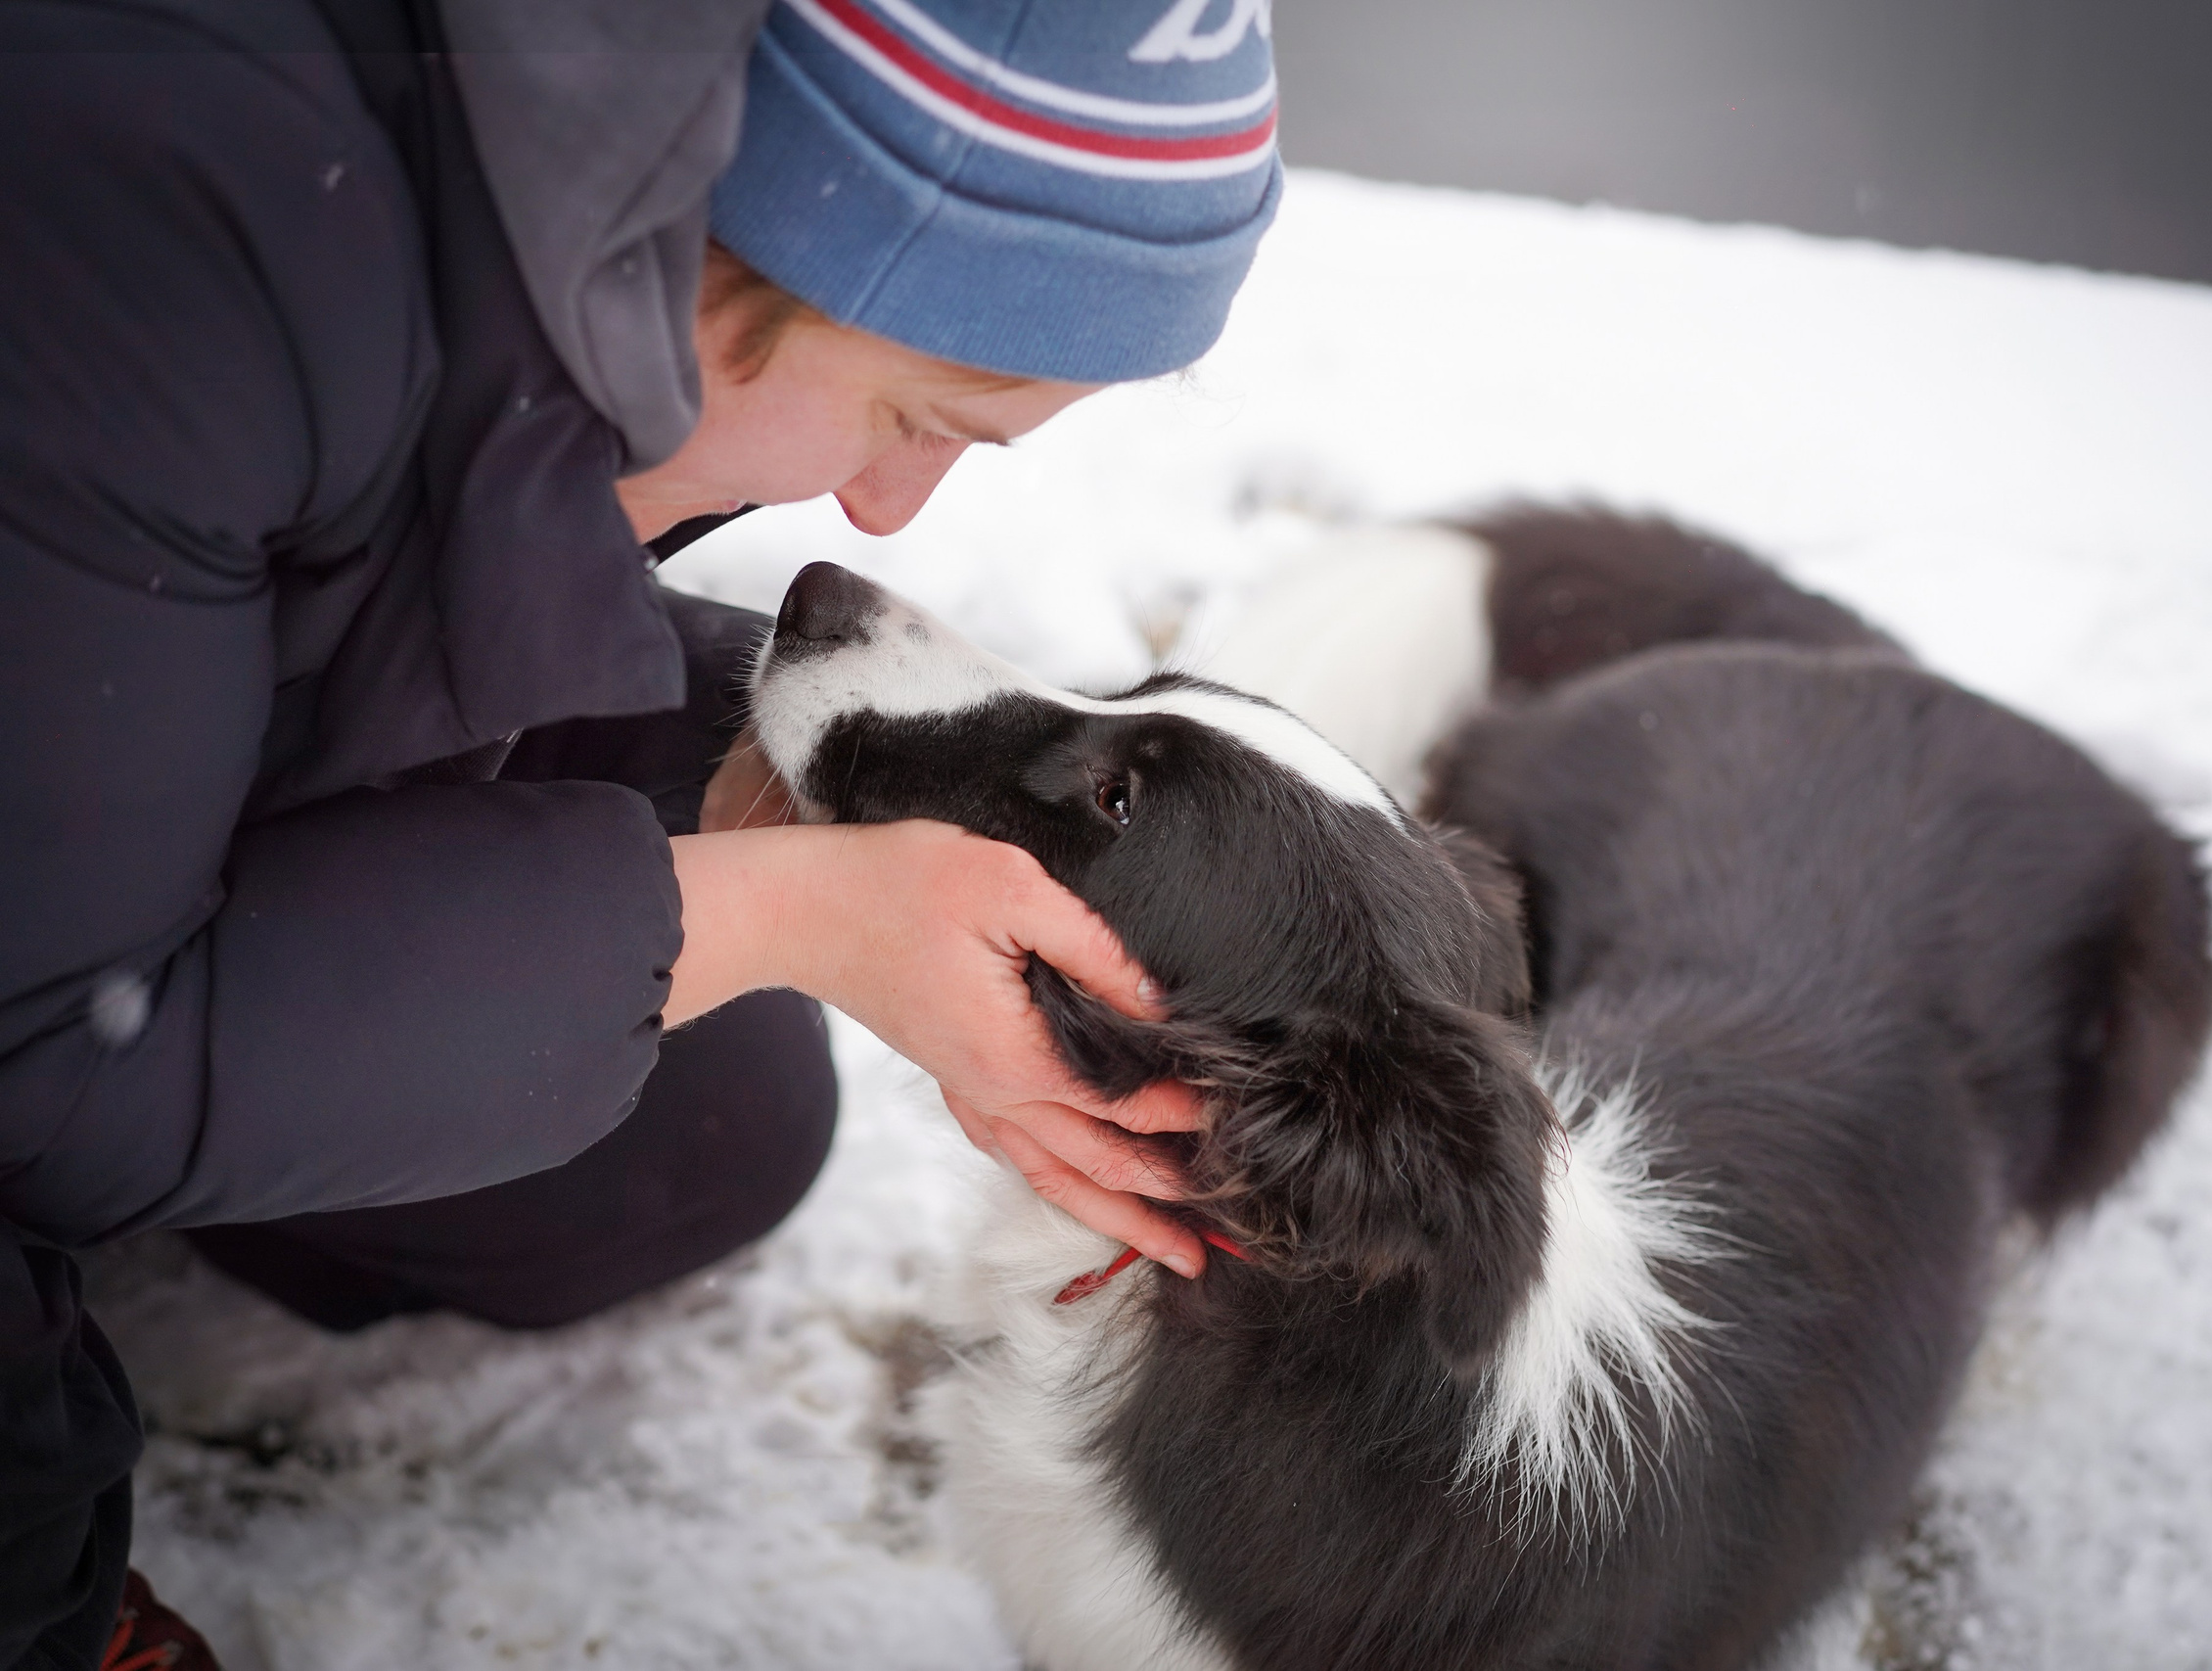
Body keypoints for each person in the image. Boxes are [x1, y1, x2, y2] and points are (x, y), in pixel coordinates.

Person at [0, 0, 1283, 1664]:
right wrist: (776, 917)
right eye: (916, 417)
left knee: (690, 1135)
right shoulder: (176, 207)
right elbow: (46, 1057)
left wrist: (814, 808)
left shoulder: (588, 242)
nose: (885, 508)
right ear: (744, 229)